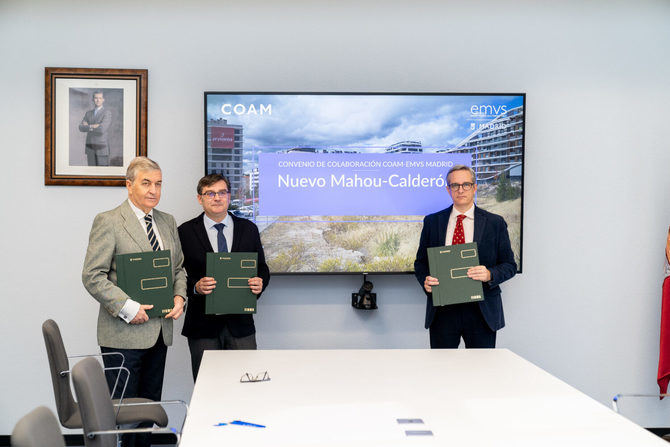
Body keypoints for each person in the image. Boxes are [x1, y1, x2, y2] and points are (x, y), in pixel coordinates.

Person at [82, 156, 186, 447]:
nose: (154, 190)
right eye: (146, 183)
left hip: (159, 332)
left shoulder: (167, 222)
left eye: (158, 184)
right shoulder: (109, 221)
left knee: (148, 414)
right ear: (129, 186)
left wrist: (180, 296)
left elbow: (178, 269)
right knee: (124, 417)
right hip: (122, 336)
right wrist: (128, 308)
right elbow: (92, 275)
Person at [178, 174, 270, 380]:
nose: (217, 198)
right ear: (199, 198)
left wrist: (259, 284)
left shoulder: (248, 229)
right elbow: (175, 275)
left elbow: (262, 268)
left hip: (240, 325)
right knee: (207, 386)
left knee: (246, 385)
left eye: (221, 192)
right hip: (202, 326)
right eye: (210, 193)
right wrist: (195, 287)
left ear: (229, 196)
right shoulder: (184, 232)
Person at [414, 165, 516, 349]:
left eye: (466, 185)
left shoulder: (495, 223)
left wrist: (489, 274)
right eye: (455, 185)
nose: (460, 190)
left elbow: (509, 265)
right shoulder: (432, 222)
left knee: (481, 373)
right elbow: (420, 263)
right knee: (441, 370)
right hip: (443, 310)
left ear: (474, 187)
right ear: (448, 189)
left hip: (481, 310)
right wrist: (425, 281)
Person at [78, 90, 111, 166]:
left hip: (102, 148)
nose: (98, 100)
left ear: (103, 100)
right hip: (90, 148)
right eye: (96, 98)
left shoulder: (107, 113)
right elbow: (80, 127)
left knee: (102, 173)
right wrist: (93, 126)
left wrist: (88, 126)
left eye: (100, 98)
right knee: (91, 173)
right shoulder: (88, 113)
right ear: (93, 99)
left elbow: (102, 129)